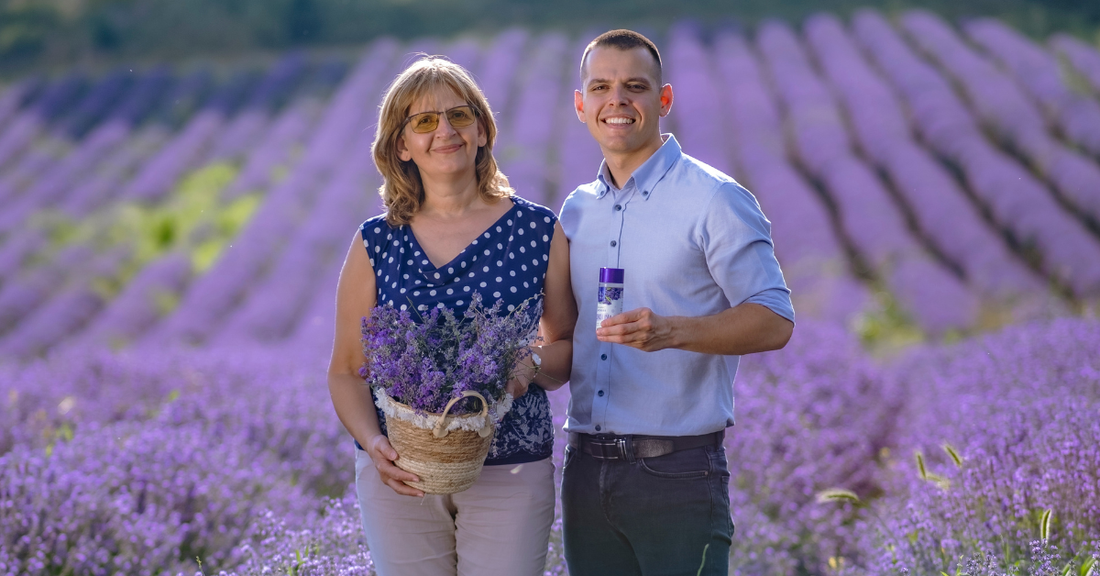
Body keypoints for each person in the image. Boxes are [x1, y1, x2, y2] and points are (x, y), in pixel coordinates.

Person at [327, 55, 577, 576]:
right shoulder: (376, 241)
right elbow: (347, 370)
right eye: (424, 121)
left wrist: (529, 363)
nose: (445, 131)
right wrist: (375, 447)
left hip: (510, 467)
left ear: (483, 130)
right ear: (401, 145)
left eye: (460, 116)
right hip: (402, 476)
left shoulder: (538, 231)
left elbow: (566, 347)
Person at [558, 30, 796, 576]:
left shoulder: (715, 198)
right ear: (581, 105)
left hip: (679, 472)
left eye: (634, 87)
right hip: (584, 472)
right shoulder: (576, 211)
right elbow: (565, 331)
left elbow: (775, 318)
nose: (616, 100)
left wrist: (671, 331)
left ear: (663, 101)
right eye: (601, 87)